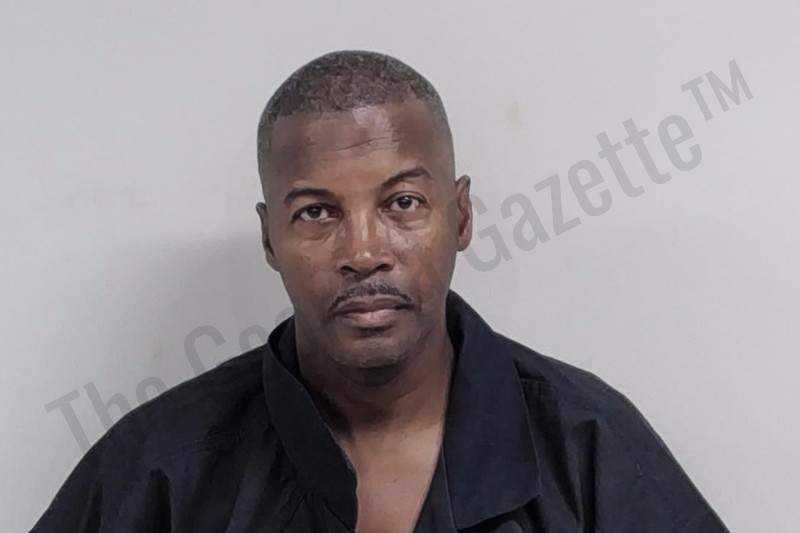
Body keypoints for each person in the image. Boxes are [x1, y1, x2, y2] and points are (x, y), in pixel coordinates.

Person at [31, 50, 729, 532]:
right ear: (270, 239)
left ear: (461, 216)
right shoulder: (159, 471)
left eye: (402, 203)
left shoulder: (590, 449)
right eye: (317, 212)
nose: (363, 252)